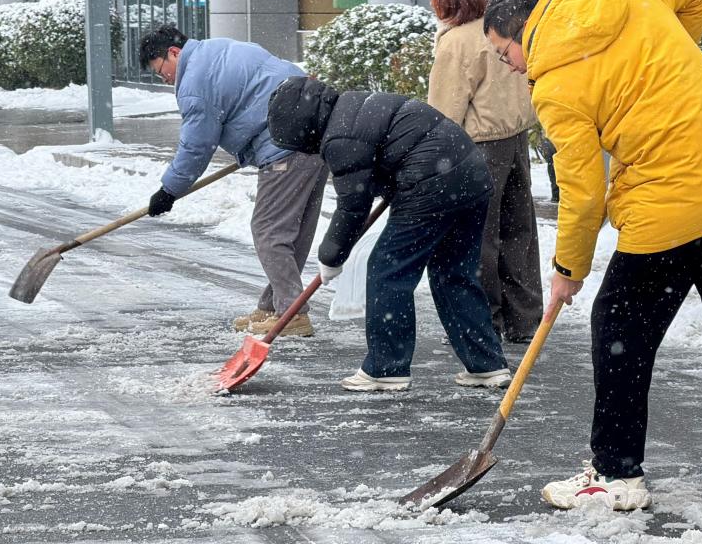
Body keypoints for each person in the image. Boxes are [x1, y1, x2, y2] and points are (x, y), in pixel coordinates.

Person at [483, 0, 702, 511]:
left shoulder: (556, 85)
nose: (512, 68)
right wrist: (674, 64)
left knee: (619, 330)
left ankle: (616, 473)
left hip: (667, 203)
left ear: (523, 31)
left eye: (505, 54)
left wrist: (568, 270)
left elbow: (583, 190)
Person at [266, 76, 510, 393]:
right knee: (454, 273)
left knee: (387, 269)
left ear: (303, 127)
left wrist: (330, 256)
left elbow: (352, 206)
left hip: (432, 182)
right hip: (470, 174)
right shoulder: (351, 104)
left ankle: (386, 368)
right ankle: (486, 365)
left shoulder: (339, 136)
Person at [140, 25, 328, 337]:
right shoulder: (218, 49)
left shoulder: (194, 82)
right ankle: (275, 306)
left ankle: (291, 313)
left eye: (161, 71)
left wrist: (169, 190)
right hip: (314, 135)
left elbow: (197, 145)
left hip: (285, 147)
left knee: (269, 231)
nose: (165, 79)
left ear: (173, 53)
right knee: (291, 231)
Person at [425, 0, 543, 343]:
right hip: (516, 138)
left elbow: (444, 111)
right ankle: (524, 319)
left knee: (477, 238)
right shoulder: (501, 27)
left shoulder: (456, 41)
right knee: (519, 232)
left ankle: (482, 320)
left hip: (476, 147)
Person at [489, 0, 568, 202]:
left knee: (555, 132)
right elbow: (493, 20)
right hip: (517, 60)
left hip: (555, 61)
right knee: (519, 126)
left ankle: (560, 190)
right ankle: (518, 188)